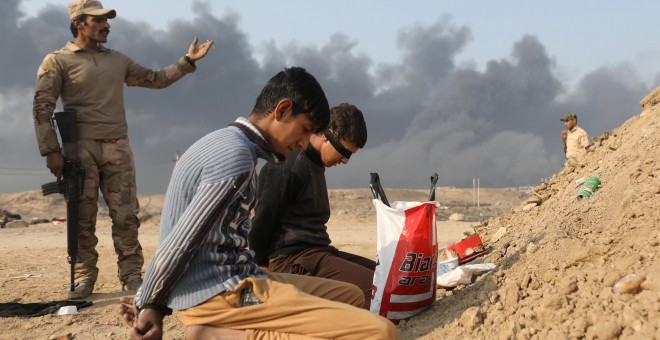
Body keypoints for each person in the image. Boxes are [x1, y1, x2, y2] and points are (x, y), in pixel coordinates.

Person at [118, 67, 397, 339]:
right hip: (226, 295)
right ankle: (222, 334)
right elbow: (181, 240)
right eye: (304, 130)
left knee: (348, 294)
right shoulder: (235, 157)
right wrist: (150, 303)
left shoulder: (229, 143)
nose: (303, 143)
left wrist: (253, 265)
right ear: (282, 110)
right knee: (380, 332)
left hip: (241, 279)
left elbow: (220, 237)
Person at [31, 0, 214, 299]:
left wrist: (187, 61)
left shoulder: (117, 60)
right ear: (79, 23)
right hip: (79, 151)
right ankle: (83, 278)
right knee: (82, 217)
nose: (107, 25)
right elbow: (42, 107)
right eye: (98, 20)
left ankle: (131, 277)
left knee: (126, 216)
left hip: (118, 147)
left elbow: (155, 79)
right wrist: (51, 150)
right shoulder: (57, 61)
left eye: (107, 20)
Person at [249, 103, 376, 309]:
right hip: (291, 260)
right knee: (374, 289)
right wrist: (261, 270)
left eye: (350, 155)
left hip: (317, 252)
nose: (345, 160)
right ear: (327, 134)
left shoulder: (315, 163)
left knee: (387, 276)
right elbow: (263, 218)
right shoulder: (291, 164)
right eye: (344, 151)